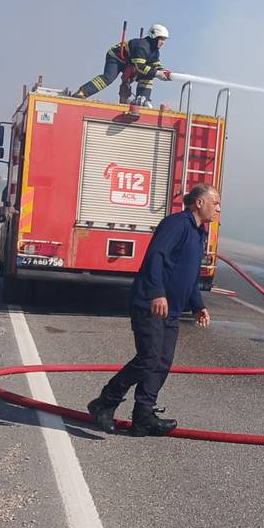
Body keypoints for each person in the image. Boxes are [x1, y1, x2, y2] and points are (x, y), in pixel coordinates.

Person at [87, 183, 220, 437]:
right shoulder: (177, 224)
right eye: (216, 202)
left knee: (162, 362)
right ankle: (104, 402)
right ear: (199, 203)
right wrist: (157, 293)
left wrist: (198, 306)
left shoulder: (199, 232)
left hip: (172, 311)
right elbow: (155, 257)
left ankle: (143, 416)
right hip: (150, 304)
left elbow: (190, 275)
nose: (218, 208)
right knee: (148, 358)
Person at [73, 23, 174, 106]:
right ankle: (82, 92)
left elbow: (155, 66)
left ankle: (142, 99)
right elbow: (140, 67)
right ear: (154, 36)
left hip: (129, 62)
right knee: (108, 78)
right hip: (116, 57)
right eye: (161, 39)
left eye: (164, 39)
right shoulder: (142, 46)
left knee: (148, 75)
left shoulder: (155, 51)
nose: (163, 42)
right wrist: (157, 73)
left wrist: (163, 72)